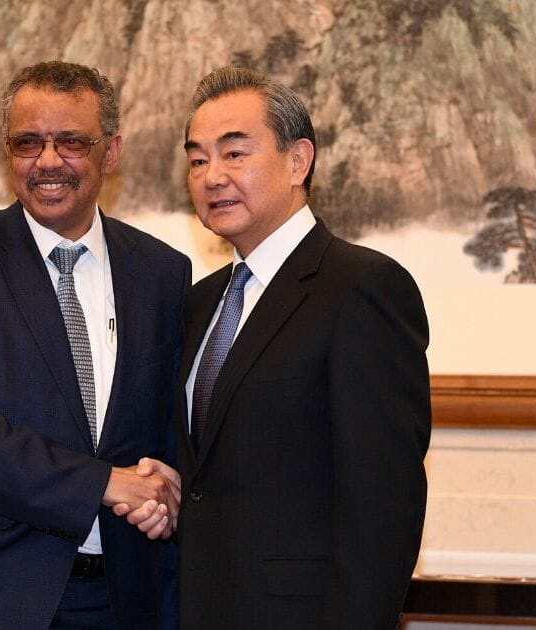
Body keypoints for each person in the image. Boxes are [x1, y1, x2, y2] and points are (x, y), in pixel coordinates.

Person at [0, 61, 189, 630]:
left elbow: (169, 422)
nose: (48, 162)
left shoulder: (162, 272)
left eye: (71, 141)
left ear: (111, 151)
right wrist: (103, 482)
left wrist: (169, 487)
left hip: (125, 600)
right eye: (29, 142)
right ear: (8, 151)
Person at [174, 66, 431, 629]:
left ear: (298, 161)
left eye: (234, 154)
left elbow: (382, 504)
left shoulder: (361, 288)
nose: (212, 176)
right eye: (197, 160)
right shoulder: (198, 305)